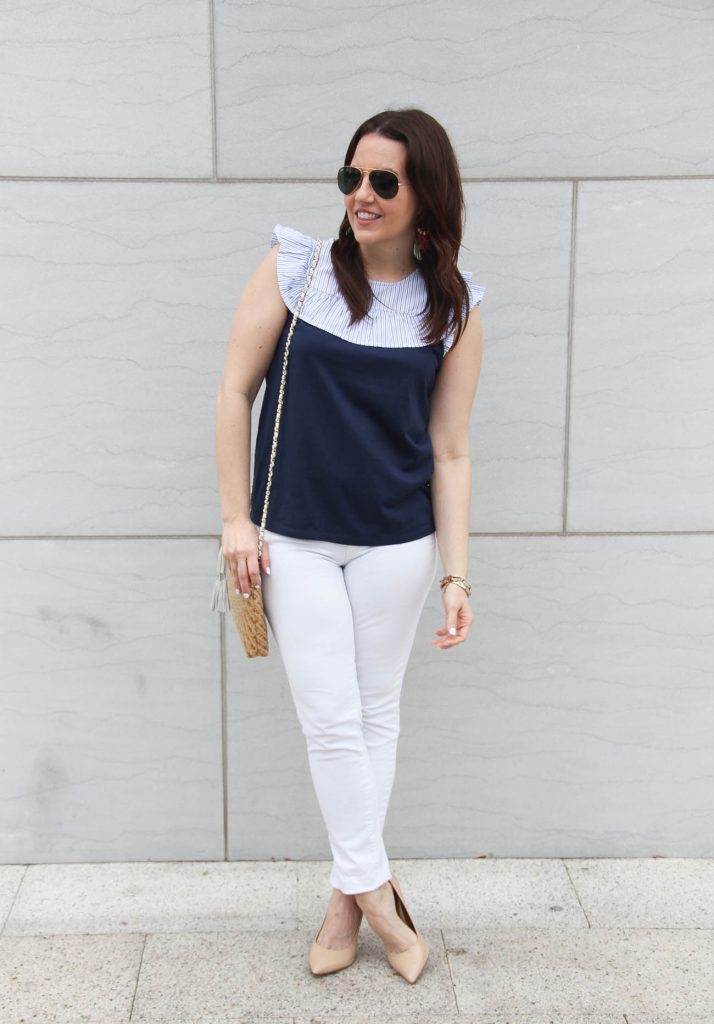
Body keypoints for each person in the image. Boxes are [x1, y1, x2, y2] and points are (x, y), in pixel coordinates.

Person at [214, 108, 485, 984]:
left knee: (374, 717)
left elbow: (450, 448)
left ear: (425, 196)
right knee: (330, 719)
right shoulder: (296, 267)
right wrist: (234, 518)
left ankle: (343, 898)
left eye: (384, 182)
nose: (360, 196)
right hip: (290, 538)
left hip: (398, 546)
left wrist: (456, 572)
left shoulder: (456, 305)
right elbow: (233, 392)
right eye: (351, 178)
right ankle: (386, 907)